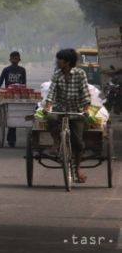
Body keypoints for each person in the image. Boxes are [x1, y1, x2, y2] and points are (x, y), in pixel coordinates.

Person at [43, 48, 91, 183]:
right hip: (60, 109)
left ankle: (77, 169)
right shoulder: (57, 75)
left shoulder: (80, 74)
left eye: (60, 60)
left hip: (76, 111)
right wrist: (48, 107)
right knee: (50, 118)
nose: (57, 62)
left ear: (68, 62)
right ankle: (57, 141)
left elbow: (85, 93)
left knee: (78, 143)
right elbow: (51, 93)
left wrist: (86, 109)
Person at [0, 51, 27, 147]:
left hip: (18, 96)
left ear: (19, 59)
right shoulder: (6, 70)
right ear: (10, 59)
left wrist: (24, 94)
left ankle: (11, 139)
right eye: (12, 58)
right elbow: (0, 81)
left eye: (16, 58)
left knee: (15, 116)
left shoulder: (22, 70)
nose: (14, 60)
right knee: (10, 116)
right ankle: (11, 139)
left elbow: (24, 84)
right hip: (8, 95)